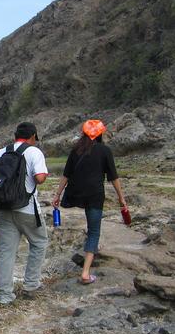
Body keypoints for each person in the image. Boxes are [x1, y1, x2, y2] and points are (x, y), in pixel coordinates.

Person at [51, 119, 128, 284]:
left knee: (91, 228)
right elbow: (113, 177)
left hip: (76, 193)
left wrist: (57, 195)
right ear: (100, 134)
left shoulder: (76, 150)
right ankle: (85, 273)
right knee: (94, 231)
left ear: (84, 133)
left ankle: (91, 248)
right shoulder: (105, 150)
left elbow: (66, 174)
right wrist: (121, 198)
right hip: (95, 194)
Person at [0, 122, 49, 304]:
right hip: (27, 208)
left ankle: (5, 295)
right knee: (39, 242)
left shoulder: (1, 152)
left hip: (4, 208)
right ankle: (30, 285)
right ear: (33, 136)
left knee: (6, 251)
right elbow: (40, 178)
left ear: (15, 135)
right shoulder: (34, 152)